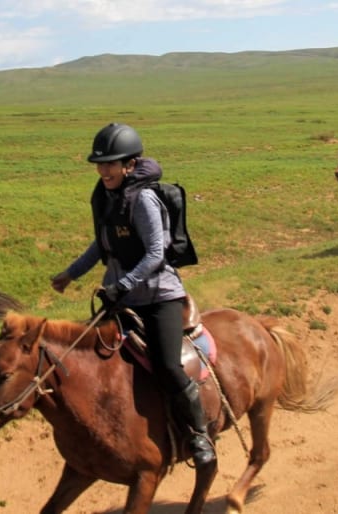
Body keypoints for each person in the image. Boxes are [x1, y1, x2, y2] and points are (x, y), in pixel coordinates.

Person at [50, 122, 216, 469]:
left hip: (158, 297)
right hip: (122, 297)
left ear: (129, 165)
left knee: (168, 366)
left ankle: (199, 434)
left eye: (111, 163)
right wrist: (70, 274)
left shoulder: (143, 199)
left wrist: (123, 285)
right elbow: (103, 244)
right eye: (100, 164)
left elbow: (156, 252)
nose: (103, 170)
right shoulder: (108, 197)